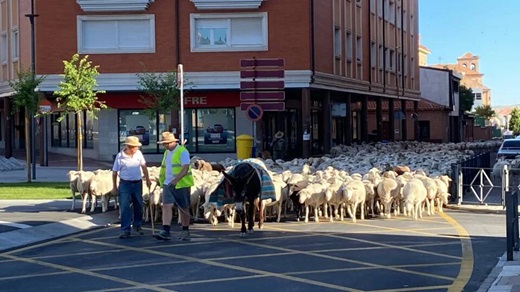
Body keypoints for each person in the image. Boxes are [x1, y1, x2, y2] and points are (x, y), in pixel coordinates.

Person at [155, 132, 195, 241]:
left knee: (183, 207)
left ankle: (185, 230)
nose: (164, 146)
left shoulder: (182, 151)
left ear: (173, 142)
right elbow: (164, 168)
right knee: (166, 206)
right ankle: (166, 230)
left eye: (166, 143)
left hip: (181, 184)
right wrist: (161, 181)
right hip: (168, 184)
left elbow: (185, 167)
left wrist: (175, 180)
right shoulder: (166, 153)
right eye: (163, 144)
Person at [112, 136, 152, 239]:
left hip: (137, 183)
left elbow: (144, 167)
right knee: (124, 206)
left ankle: (137, 225)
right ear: (129, 147)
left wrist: (147, 179)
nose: (137, 148)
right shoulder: (120, 156)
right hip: (125, 184)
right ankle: (126, 229)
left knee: (138, 204)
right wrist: (114, 187)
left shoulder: (138, 154)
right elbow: (114, 172)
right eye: (135, 147)